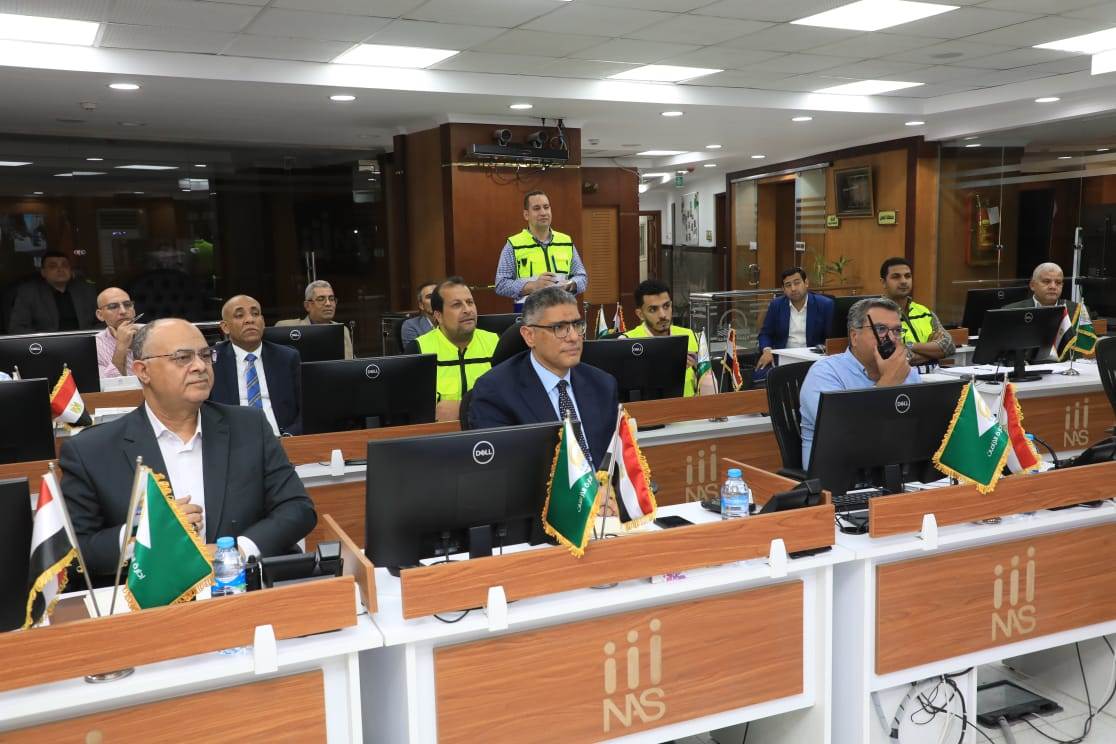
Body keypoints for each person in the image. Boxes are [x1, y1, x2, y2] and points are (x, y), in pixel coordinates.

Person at [59, 318, 316, 579]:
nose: (200, 366)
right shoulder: (91, 451)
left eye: (205, 355)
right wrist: (145, 532)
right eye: (182, 358)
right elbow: (74, 551)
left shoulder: (249, 426)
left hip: (243, 587)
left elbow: (297, 508)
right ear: (143, 371)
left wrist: (236, 552)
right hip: (150, 595)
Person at [468, 286, 618, 468]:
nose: (573, 337)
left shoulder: (602, 384)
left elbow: (614, 460)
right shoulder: (495, 392)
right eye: (559, 327)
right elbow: (500, 471)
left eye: (577, 325)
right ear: (529, 336)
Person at [799, 297, 920, 468]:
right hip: (839, 475)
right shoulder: (825, 373)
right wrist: (888, 382)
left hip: (897, 471)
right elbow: (844, 434)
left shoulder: (907, 373)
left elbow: (918, 430)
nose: (892, 338)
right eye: (881, 329)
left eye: (897, 330)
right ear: (854, 337)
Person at [407, 277, 500, 421]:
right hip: (440, 432)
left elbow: (510, 397)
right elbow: (412, 410)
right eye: (457, 305)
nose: (467, 310)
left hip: (489, 427)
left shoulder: (496, 342)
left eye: (470, 302)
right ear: (438, 316)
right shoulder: (419, 349)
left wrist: (463, 408)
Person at [209, 295, 302, 436]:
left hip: (282, 439)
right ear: (225, 327)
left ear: (263, 322)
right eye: (239, 315)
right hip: (232, 441)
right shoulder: (211, 361)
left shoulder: (287, 357)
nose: (250, 320)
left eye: (255, 314)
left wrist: (290, 436)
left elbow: (306, 408)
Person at [494, 190, 588, 308]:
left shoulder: (565, 242)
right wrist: (533, 286)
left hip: (563, 310)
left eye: (546, 207)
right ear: (526, 215)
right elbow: (501, 284)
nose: (543, 212)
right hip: (530, 312)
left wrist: (570, 284)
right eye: (537, 208)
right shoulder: (513, 245)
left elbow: (582, 278)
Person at [623, 278, 714, 397]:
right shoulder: (626, 342)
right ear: (640, 314)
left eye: (666, 306)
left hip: (689, 407)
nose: (662, 315)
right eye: (653, 309)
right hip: (648, 408)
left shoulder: (692, 336)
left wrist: (698, 367)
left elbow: (712, 394)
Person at [1003, 262, 1091, 362]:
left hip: (1065, 369)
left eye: (1058, 282)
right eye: (1046, 281)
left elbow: (1080, 353)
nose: (1053, 286)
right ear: (1032, 285)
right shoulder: (1011, 311)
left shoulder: (1076, 311)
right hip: (1027, 369)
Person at [756, 267, 835, 372]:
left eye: (797, 283)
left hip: (814, 360)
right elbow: (765, 334)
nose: (793, 288)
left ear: (806, 283)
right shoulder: (776, 305)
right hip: (783, 358)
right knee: (760, 375)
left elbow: (832, 338)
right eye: (788, 285)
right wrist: (767, 351)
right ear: (783, 289)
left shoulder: (825, 305)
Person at [879, 257, 955, 365]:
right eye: (896, 277)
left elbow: (949, 346)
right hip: (902, 375)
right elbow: (894, 356)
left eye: (907, 276)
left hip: (935, 374)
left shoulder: (924, 312)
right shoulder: (877, 314)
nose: (903, 281)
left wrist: (909, 345)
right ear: (883, 282)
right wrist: (932, 350)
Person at [7, 251, 97, 333]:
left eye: (65, 265)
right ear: (43, 272)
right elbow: (17, 328)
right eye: (53, 266)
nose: (60, 269)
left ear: (70, 270)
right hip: (47, 344)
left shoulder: (86, 290)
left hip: (85, 342)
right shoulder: (29, 293)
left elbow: (101, 322)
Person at [275, 280, 353, 359]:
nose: (328, 303)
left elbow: (348, 362)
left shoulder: (343, 330)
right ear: (307, 306)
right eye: (321, 299)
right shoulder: (286, 328)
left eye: (331, 299)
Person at [94, 287, 141, 378]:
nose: (123, 311)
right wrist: (121, 348)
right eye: (113, 307)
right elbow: (110, 385)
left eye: (127, 305)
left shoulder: (154, 332)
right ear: (100, 315)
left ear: (134, 310)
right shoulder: (94, 346)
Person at [400, 280, 437, 347]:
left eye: (438, 296)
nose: (435, 299)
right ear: (421, 305)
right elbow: (417, 352)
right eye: (429, 297)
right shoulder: (411, 326)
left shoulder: (453, 323)